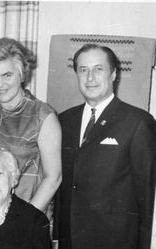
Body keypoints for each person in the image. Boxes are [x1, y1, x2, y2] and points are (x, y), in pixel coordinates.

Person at [54, 44, 156, 249]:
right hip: (70, 241)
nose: (90, 77)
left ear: (114, 74)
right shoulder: (64, 121)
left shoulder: (138, 122)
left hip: (116, 242)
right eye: (83, 70)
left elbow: (148, 199)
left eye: (98, 69)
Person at [0, 37, 62, 215]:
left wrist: (25, 219)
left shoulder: (43, 115)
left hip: (26, 213)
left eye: (7, 75)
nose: (0, 85)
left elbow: (53, 178)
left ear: (22, 74)